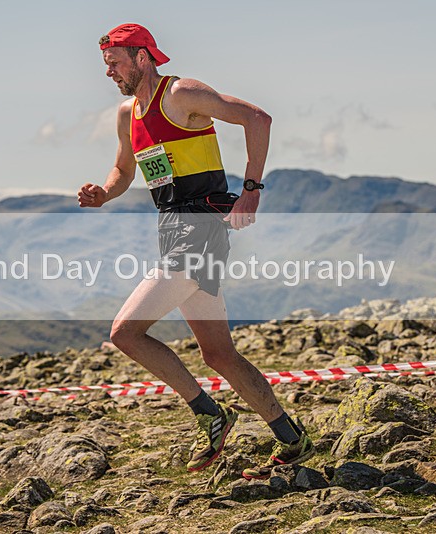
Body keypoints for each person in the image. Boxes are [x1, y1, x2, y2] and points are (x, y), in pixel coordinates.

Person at [78, 23, 314, 480]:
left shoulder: (181, 93)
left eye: (114, 63)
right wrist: (104, 193)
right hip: (171, 228)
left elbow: (258, 119)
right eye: (105, 65)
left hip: (200, 230)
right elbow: (123, 169)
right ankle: (291, 438)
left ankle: (210, 413)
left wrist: (251, 191)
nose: (108, 73)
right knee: (219, 355)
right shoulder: (128, 114)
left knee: (125, 333)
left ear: (142, 57)